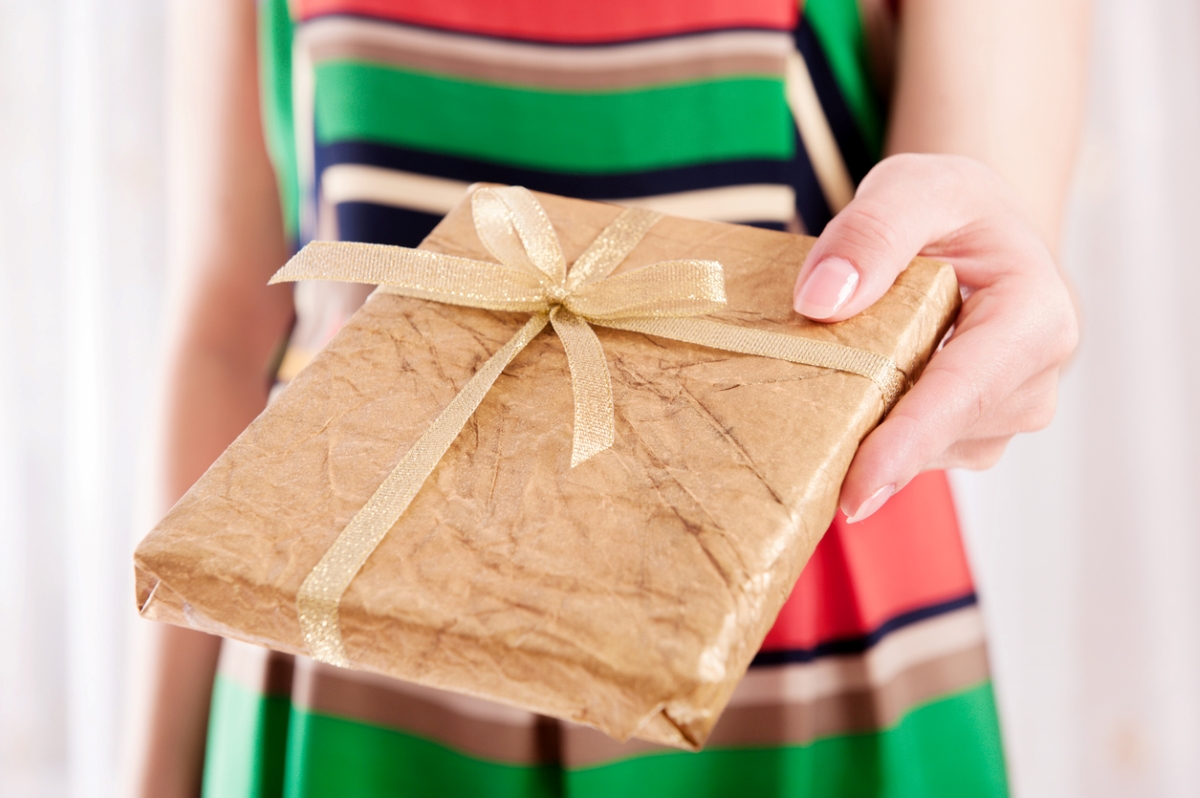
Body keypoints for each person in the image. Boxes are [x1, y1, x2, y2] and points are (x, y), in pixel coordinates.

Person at [127, 0, 1085, 795]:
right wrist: (157, 773)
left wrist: (986, 284)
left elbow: (971, 257)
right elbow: (231, 329)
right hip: (344, 642)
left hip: (793, 655)